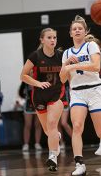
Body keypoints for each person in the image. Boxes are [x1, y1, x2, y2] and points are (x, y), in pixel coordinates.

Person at [60, 15, 101, 176]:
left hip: (95, 90)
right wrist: (67, 65)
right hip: (77, 92)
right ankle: (80, 164)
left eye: (80, 28)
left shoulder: (91, 46)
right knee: (76, 126)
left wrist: (75, 65)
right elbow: (62, 79)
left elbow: (96, 67)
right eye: (74, 29)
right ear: (70, 33)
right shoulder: (66, 53)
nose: (77, 31)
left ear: (85, 31)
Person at [20, 28, 64, 172]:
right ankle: (55, 138)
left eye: (55, 37)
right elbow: (23, 76)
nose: (53, 40)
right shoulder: (35, 56)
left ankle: (52, 157)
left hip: (56, 95)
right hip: (39, 96)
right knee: (48, 130)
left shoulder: (61, 56)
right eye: (49, 37)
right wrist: (38, 83)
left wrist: (70, 67)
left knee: (52, 124)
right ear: (42, 40)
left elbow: (66, 76)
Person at [16, 82, 43, 152]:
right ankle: (26, 144)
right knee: (27, 125)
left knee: (38, 125)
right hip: (28, 105)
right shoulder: (25, 82)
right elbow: (20, 92)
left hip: (38, 104)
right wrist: (25, 98)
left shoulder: (39, 80)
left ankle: (37, 144)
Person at [58, 82, 72, 149]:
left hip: (64, 101)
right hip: (54, 102)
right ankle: (61, 143)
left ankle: (76, 139)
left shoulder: (64, 78)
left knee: (64, 123)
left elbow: (69, 89)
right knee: (57, 124)